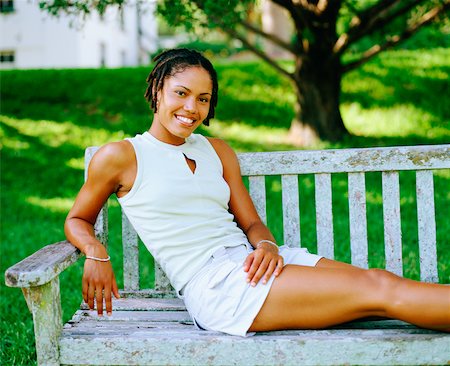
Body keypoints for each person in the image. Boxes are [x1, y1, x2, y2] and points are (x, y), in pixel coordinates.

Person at [65, 48, 449, 336]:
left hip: (255, 262)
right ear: (157, 91)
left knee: (379, 285)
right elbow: (78, 218)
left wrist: (266, 246)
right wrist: (96, 252)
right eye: (181, 93)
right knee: (380, 290)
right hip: (219, 286)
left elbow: (251, 222)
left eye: (203, 98)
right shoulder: (122, 156)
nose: (191, 108)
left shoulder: (216, 150)